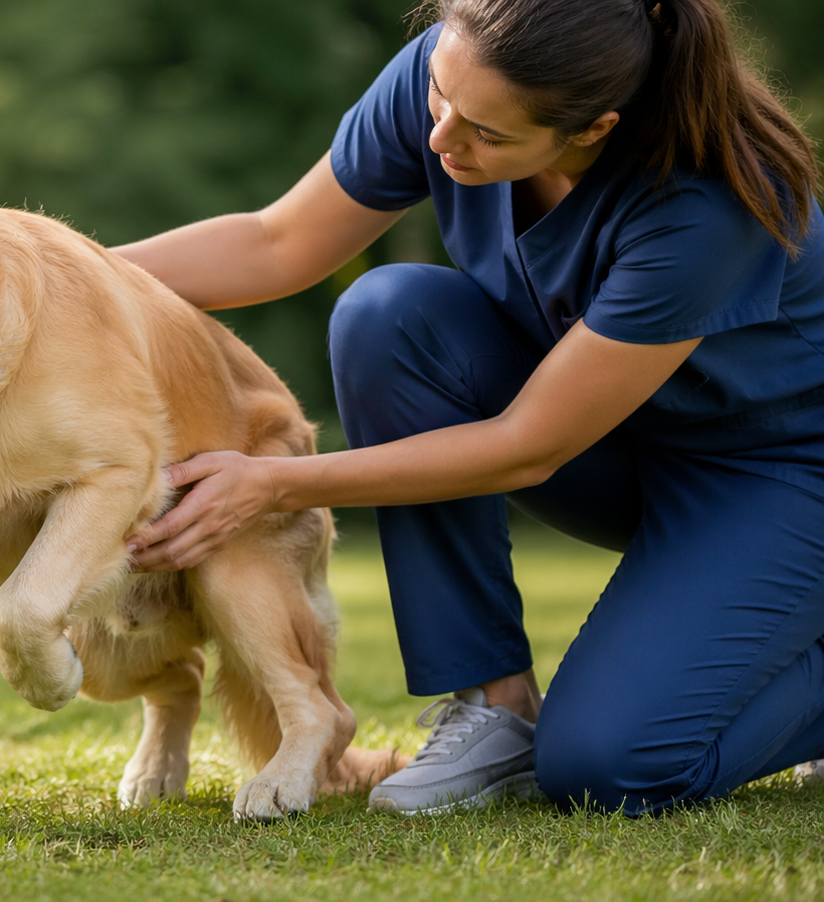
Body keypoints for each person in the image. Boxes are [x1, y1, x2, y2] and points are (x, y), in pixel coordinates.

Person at [115, 0, 824, 815]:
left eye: (489, 134)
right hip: (626, 447)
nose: (444, 137)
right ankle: (495, 704)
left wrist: (275, 482)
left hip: (780, 473)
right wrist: (59, 273)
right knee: (389, 315)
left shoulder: (705, 204)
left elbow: (528, 446)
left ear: (594, 128)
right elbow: (280, 243)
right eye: (439, 101)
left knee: (609, 769)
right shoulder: (454, 78)